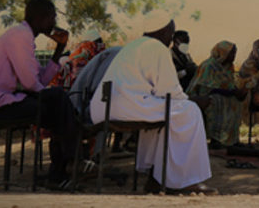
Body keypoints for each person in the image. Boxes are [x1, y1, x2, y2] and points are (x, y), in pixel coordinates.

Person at [88, 17, 216, 194]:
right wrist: (194, 100)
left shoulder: (134, 46)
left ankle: (156, 179)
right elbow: (170, 92)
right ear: (163, 31)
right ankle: (184, 181)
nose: (171, 39)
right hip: (126, 106)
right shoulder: (156, 48)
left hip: (108, 106)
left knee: (165, 115)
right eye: (171, 34)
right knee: (190, 111)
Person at [0, 0, 79, 188]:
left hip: (3, 101)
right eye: (52, 17)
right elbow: (30, 83)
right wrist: (52, 97)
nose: (54, 23)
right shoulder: (20, 36)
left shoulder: (24, 36)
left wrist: (59, 49)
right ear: (40, 18)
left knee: (57, 106)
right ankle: (70, 163)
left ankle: (62, 169)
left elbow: (38, 81)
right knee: (58, 102)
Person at [187, 41, 245, 150]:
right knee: (217, 102)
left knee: (235, 102)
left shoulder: (228, 67)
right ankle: (216, 139)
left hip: (222, 94)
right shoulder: (209, 66)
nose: (233, 56)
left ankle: (232, 139)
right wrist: (230, 92)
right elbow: (206, 89)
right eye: (231, 53)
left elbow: (230, 84)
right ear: (223, 53)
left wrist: (236, 91)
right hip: (203, 96)